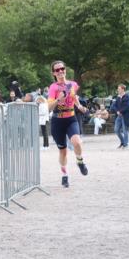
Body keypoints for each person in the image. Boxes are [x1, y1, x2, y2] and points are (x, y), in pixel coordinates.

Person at [46, 60, 90, 188]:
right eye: (57, 70)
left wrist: (80, 106)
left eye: (62, 68)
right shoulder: (53, 87)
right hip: (57, 121)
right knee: (63, 151)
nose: (60, 71)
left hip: (71, 118)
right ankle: (64, 175)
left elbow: (74, 97)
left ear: (65, 69)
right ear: (53, 73)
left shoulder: (73, 84)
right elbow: (49, 107)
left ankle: (80, 162)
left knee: (77, 142)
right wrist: (58, 100)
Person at [110, 84, 129, 149]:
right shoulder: (117, 97)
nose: (118, 90)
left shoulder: (127, 97)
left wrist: (120, 111)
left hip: (126, 115)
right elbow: (113, 106)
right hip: (119, 116)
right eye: (118, 89)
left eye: (119, 89)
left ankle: (126, 145)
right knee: (116, 130)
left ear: (123, 89)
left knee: (125, 130)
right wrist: (117, 111)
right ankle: (123, 142)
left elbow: (128, 106)